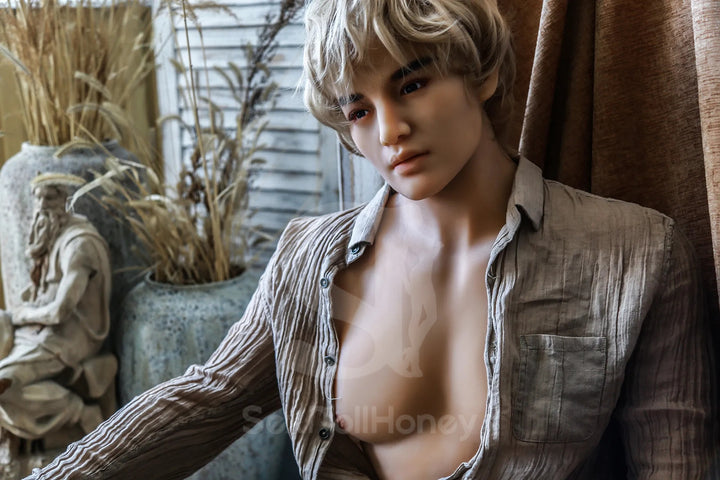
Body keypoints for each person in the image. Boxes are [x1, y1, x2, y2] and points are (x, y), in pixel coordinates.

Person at [26, 0, 716, 478]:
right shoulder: (307, 259)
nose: (389, 132)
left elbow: (675, 464)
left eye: (410, 83)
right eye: (358, 109)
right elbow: (207, 401)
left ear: (482, 73)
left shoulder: (638, 255)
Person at [0, 173, 114, 441]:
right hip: (40, 329)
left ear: (63, 201)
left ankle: (79, 412)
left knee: (3, 386)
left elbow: (60, 311)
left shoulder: (80, 245)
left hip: (69, 336)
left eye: (50, 198)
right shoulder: (51, 235)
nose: (42, 205)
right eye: (38, 198)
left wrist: (23, 315)